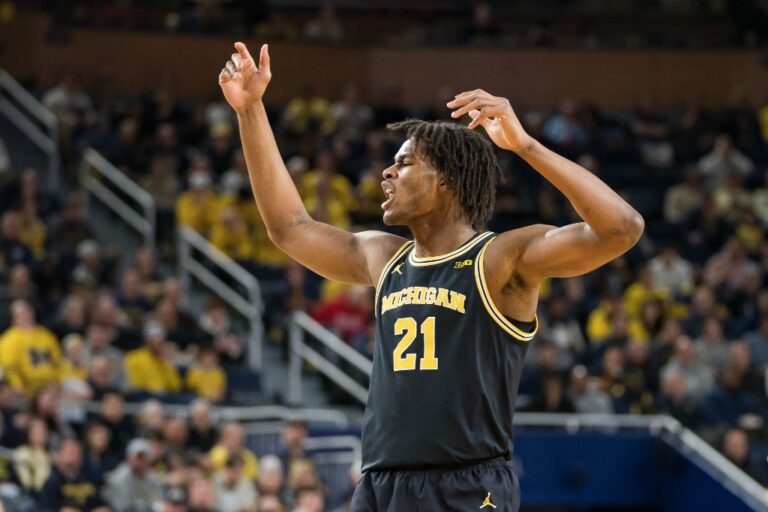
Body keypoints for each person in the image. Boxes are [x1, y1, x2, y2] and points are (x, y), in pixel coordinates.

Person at [218, 42, 643, 511]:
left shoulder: (500, 259)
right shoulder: (384, 258)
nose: (386, 172)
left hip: (466, 484)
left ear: (446, 178)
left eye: (403, 163)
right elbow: (289, 228)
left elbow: (622, 228)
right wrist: (251, 110)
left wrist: (525, 145)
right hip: (380, 483)